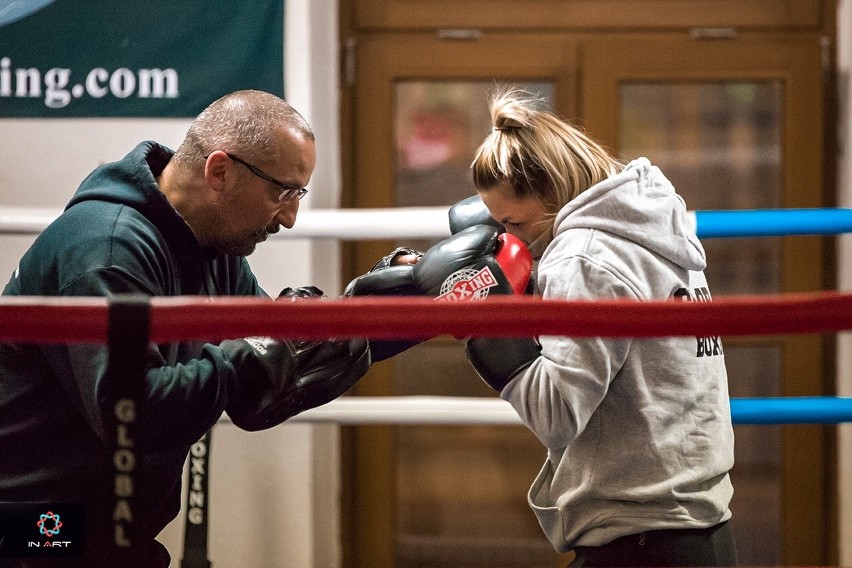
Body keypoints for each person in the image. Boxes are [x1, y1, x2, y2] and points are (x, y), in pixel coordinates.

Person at [0, 90, 373, 566]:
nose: (289, 217)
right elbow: (133, 415)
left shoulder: (214, 248)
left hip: (108, 533)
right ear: (219, 171)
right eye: (283, 192)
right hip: (30, 530)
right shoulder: (108, 248)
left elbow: (258, 390)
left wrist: (372, 324)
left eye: (297, 195)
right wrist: (255, 356)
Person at [461, 87, 737, 567]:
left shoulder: (585, 255)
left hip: (642, 537)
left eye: (516, 224)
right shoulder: (653, 225)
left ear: (551, 194)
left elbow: (558, 414)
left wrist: (486, 330)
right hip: (697, 526)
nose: (513, 241)